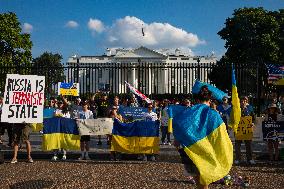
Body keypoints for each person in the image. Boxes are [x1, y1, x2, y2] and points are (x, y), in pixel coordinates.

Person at [171, 86, 233, 189]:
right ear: (209, 100)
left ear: (197, 100)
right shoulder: (213, 114)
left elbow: (178, 128)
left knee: (199, 183)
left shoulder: (187, 112)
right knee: (204, 184)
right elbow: (220, 136)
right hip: (207, 153)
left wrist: (178, 141)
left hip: (190, 152)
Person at [234, 96, 256, 165]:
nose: (243, 102)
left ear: (247, 102)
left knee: (248, 144)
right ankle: (237, 159)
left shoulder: (250, 108)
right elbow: (233, 117)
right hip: (239, 129)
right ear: (240, 102)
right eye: (242, 101)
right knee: (237, 144)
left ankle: (250, 159)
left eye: (245, 101)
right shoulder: (237, 109)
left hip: (247, 129)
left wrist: (252, 123)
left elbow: (253, 117)